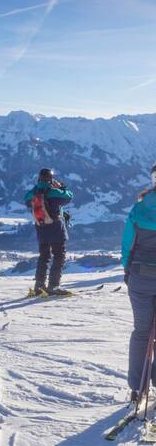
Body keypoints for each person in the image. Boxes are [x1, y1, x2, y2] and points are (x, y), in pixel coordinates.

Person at [124, 164, 156, 402]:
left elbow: (127, 245)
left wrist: (128, 272)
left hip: (140, 278)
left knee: (142, 332)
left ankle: (137, 387)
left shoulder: (139, 208)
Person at [23, 168, 73, 297]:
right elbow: (69, 197)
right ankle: (53, 286)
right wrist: (62, 187)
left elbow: (26, 200)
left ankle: (39, 286)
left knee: (44, 257)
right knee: (59, 255)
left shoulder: (33, 193)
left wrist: (38, 187)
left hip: (41, 228)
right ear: (50, 179)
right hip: (56, 227)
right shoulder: (53, 192)